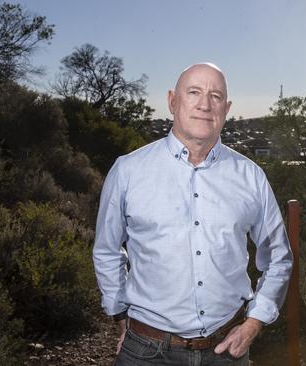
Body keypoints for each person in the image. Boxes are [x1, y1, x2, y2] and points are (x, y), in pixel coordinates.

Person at [93, 63, 293, 366]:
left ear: (226, 109)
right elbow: (107, 251)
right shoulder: (128, 170)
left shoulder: (250, 176)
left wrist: (254, 323)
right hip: (146, 352)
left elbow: (279, 257)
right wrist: (120, 315)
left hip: (226, 351)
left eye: (215, 96)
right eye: (194, 92)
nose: (204, 104)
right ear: (173, 101)